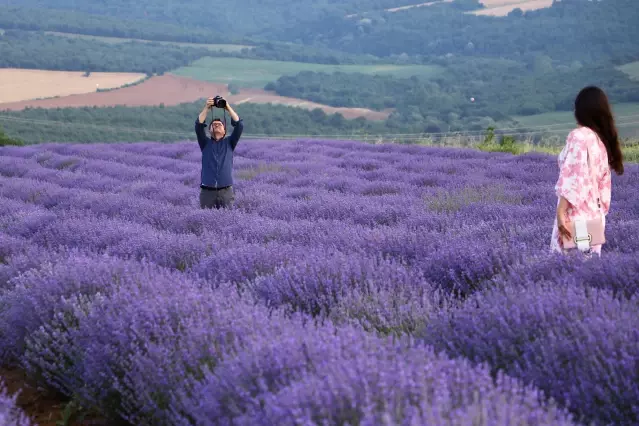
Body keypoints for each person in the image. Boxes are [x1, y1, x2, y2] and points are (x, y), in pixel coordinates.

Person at [551, 86, 624, 256]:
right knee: (585, 274)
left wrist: (561, 213)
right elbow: (604, 191)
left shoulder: (580, 137)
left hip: (574, 220)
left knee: (565, 273)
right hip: (594, 220)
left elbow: (572, 178)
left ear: (581, 111)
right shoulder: (600, 142)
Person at [195, 96, 243, 209]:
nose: (216, 125)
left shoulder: (230, 142)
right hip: (207, 192)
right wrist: (207, 108)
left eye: (219, 124)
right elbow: (198, 125)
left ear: (225, 131)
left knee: (228, 220)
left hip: (226, 191)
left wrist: (227, 107)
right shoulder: (204, 143)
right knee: (205, 219)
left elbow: (239, 125)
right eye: (213, 125)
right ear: (209, 130)